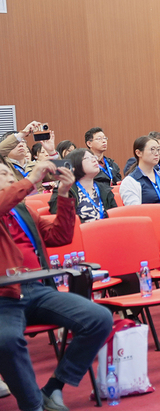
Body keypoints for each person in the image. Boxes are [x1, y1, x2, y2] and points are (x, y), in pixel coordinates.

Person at [0, 158, 113, 411]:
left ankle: (54, 387)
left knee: (99, 318)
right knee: (5, 341)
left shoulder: (23, 211)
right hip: (4, 296)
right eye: (2, 174)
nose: (10, 177)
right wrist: (31, 179)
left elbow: (59, 236)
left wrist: (63, 194)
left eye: (10, 173)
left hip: (37, 289)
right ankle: (32, 405)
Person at [48, 149, 117, 222]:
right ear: (76, 164)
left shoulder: (104, 189)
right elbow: (60, 217)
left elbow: (115, 217)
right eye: (88, 158)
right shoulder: (66, 191)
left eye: (94, 157)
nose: (94, 160)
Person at [120, 136, 160, 214]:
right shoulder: (129, 182)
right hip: (150, 220)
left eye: (158, 150)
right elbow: (136, 214)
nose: (157, 153)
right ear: (138, 153)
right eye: (152, 149)